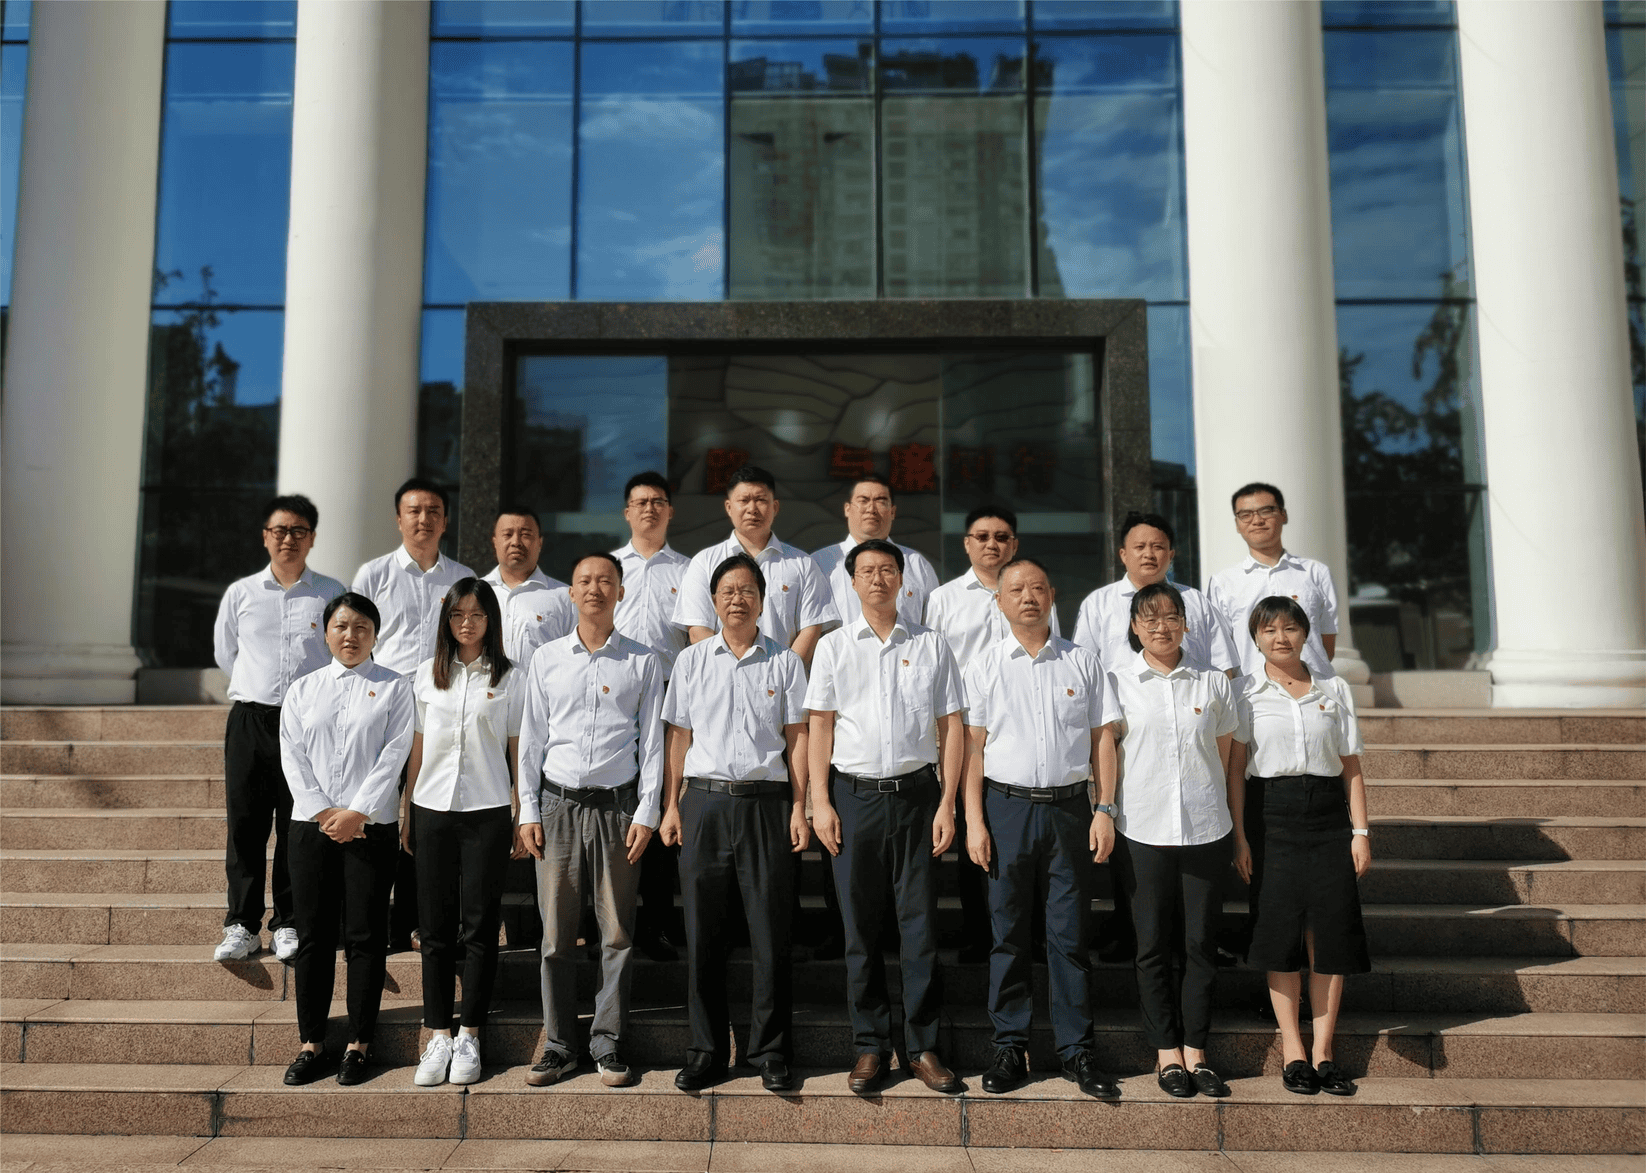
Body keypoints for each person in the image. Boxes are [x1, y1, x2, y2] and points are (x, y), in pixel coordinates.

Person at [807, 539, 965, 1096]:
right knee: (860, 929)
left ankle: (922, 1047)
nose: (878, 579)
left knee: (919, 928)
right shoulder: (833, 647)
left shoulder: (931, 643)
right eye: (867, 571)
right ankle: (870, 1045)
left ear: (903, 579)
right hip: (853, 798)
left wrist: (947, 802)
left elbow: (951, 726)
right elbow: (820, 726)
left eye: (888, 570)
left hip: (918, 796)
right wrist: (820, 801)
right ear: (851, 582)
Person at [961, 558, 1122, 1100]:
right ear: (999, 601)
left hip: (1070, 810)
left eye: (1036, 588)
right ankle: (1010, 1046)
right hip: (1005, 809)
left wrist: (1106, 808)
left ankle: (1077, 1051)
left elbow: (1102, 739)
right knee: (1007, 933)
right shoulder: (984, 665)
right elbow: (974, 750)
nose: (1027, 597)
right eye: (1015, 589)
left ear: (1052, 595)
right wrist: (974, 820)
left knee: (1069, 936)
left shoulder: (1082, 661)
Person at [658, 553, 810, 1094]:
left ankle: (770, 1050)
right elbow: (678, 736)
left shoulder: (785, 662)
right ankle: (706, 1050)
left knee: (771, 932)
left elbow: (798, 738)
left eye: (747, 590)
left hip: (767, 806)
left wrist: (800, 805)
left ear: (762, 601)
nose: (738, 599)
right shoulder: (692, 661)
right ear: (714, 602)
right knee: (703, 934)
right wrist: (671, 806)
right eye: (728, 591)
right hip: (704, 804)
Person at [516, 552, 665, 1089]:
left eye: (606, 581)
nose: (595, 589)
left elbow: (654, 744)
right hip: (556, 807)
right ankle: (559, 1044)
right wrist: (526, 809)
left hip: (618, 809)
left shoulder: (644, 660)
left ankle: (607, 1041)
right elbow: (531, 738)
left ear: (621, 592)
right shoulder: (547, 658)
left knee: (617, 933)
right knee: (556, 937)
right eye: (585, 581)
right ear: (571, 593)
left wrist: (648, 811)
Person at [1230, 596, 1372, 1098]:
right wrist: (1240, 837)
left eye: (1290, 628)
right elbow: (1235, 770)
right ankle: (1293, 1050)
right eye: (1269, 630)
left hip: (1329, 817)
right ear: (1256, 638)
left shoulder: (1334, 689)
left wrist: (1361, 832)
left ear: (1306, 634)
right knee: (1280, 933)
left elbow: (1351, 766)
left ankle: (1324, 1052)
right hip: (1271, 817)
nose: (1281, 638)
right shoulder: (1245, 692)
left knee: (1329, 934)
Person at [1105, 582, 1239, 1101]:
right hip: (1141, 828)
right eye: (1150, 618)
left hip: (1206, 827)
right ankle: (1166, 1052)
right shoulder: (1117, 683)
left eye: (1171, 617)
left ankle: (1197, 1051)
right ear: (1134, 626)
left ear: (1186, 624)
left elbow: (1225, 758)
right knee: (1152, 945)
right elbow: (1107, 752)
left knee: (1201, 944)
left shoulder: (1213, 682)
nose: (1161, 627)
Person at [277, 592, 414, 1087]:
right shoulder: (303, 689)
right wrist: (323, 811)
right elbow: (292, 754)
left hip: (370, 828)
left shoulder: (395, 687)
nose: (350, 635)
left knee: (365, 936)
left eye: (361, 627)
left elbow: (395, 755)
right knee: (313, 937)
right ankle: (311, 1043)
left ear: (376, 634)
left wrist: (356, 812)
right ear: (325, 631)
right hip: (309, 827)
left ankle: (359, 1043)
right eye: (341, 626)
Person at [211, 494, 345, 964]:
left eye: (298, 531)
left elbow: (340, 653)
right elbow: (226, 653)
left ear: (312, 538)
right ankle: (242, 925)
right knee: (245, 826)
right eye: (280, 530)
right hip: (251, 720)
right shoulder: (242, 593)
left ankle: (288, 922)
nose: (289, 539)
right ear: (265, 536)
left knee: (297, 826)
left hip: (306, 724)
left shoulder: (330, 592)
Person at [924, 506, 1060, 964]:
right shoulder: (944, 599)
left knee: (1025, 839)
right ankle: (979, 934)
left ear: (1014, 545)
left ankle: (1032, 935)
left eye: (1002, 537)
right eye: (981, 536)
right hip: (963, 732)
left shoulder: (1035, 594)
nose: (992, 544)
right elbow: (933, 667)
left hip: (1023, 732)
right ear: (967, 544)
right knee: (971, 827)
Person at [403, 578, 523, 1088]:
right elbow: (417, 745)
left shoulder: (511, 676)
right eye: (457, 615)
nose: (466, 624)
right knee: (434, 928)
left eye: (476, 614)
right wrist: (407, 808)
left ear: (490, 619)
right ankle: (437, 1033)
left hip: (487, 810)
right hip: (432, 809)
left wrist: (521, 810)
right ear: (446, 621)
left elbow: (518, 749)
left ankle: (470, 1033)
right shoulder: (427, 675)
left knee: (479, 926)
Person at [352, 477, 476, 951]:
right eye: (414, 511)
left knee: (426, 818)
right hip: (383, 708)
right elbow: (357, 640)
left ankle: (420, 920)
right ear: (398, 519)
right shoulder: (374, 575)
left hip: (441, 711)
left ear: (445, 521)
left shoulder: (462, 578)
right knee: (379, 812)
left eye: (433, 511)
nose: (423, 519)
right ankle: (372, 921)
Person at [612, 471, 692, 963]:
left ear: (670, 511)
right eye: (640, 502)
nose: (649, 509)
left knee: (662, 807)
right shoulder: (607, 569)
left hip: (668, 702)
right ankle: (608, 924)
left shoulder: (690, 571)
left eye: (658, 501)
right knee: (615, 805)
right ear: (627, 512)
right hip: (613, 701)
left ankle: (657, 924)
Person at [671, 465, 835, 670]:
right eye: (744, 500)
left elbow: (810, 629)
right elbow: (698, 630)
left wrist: (784, 675)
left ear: (775, 507)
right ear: (729, 507)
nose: (752, 509)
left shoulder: (803, 564)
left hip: (782, 681)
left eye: (760, 500)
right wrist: (730, 674)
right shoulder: (704, 562)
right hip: (722, 678)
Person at [1071, 511, 1238, 677]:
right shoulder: (1098, 604)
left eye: (1157, 547)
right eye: (1140, 547)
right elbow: (1081, 667)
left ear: (1171, 555)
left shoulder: (1195, 600)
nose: (1149, 555)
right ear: (1123, 555)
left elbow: (1222, 665)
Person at [1207, 482, 1341, 681]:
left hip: (1315, 688)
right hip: (1252, 691)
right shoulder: (1223, 582)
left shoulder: (1316, 573)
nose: (1257, 520)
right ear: (1237, 524)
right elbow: (1220, 650)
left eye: (1266, 511)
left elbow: (1327, 642)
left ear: (1283, 515)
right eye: (1246, 514)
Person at [812, 473, 939, 628]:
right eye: (863, 500)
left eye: (880, 501)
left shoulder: (917, 565)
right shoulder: (819, 564)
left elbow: (934, 626)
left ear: (892, 512)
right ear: (847, 509)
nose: (871, 509)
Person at [482, 505, 574, 666]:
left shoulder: (565, 597)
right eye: (507, 534)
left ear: (540, 542)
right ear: (495, 541)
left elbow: (576, 657)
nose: (516, 542)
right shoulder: (476, 593)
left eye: (525, 535)